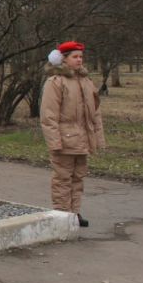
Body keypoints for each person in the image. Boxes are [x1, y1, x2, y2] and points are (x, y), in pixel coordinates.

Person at [40, 41, 106, 228]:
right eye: (75, 57)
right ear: (64, 59)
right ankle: (62, 215)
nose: (79, 60)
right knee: (62, 179)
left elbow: (95, 113)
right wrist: (55, 142)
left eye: (81, 57)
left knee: (78, 179)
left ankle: (74, 213)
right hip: (64, 140)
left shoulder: (85, 81)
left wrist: (98, 138)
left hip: (82, 140)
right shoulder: (56, 82)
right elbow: (48, 116)